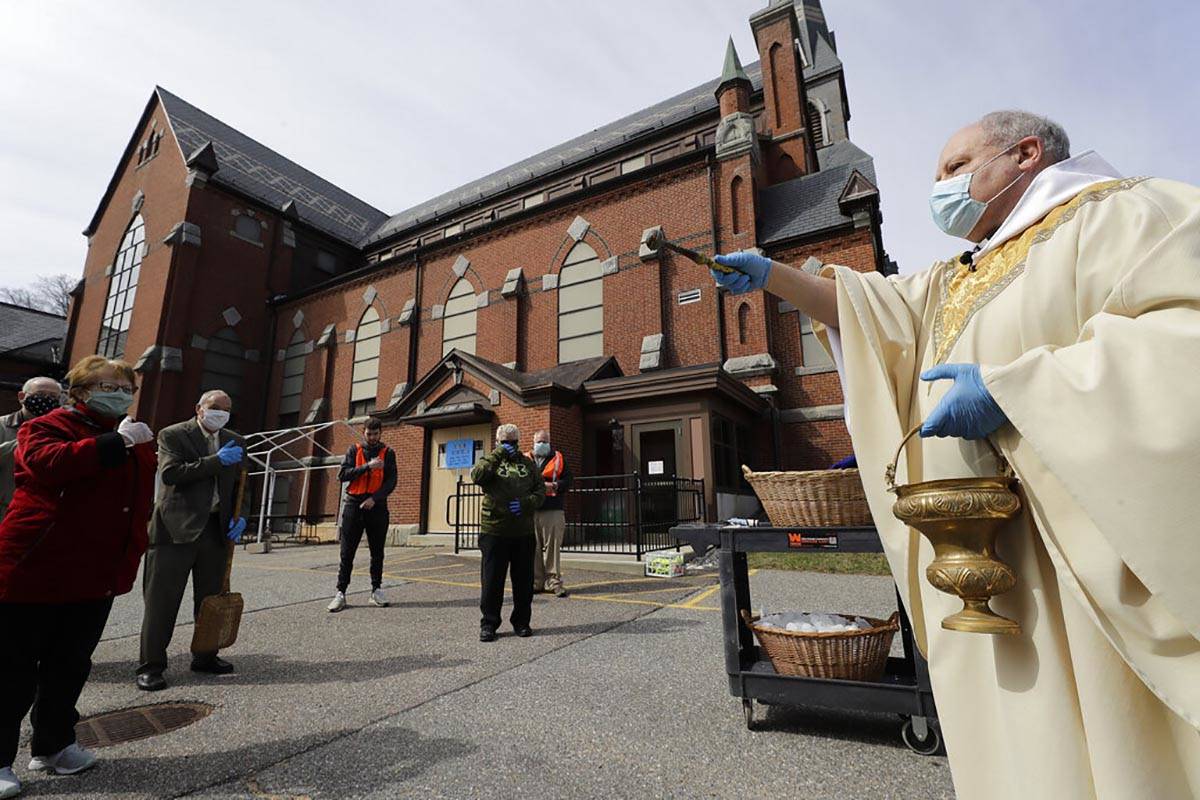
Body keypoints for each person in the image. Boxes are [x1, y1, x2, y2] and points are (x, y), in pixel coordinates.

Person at [708, 110, 1200, 798]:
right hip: (976, 556)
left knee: (1111, 739)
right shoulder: (961, 276)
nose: (939, 188)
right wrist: (772, 277)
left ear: (1025, 153)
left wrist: (1022, 391)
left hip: (1081, 557)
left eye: (954, 168)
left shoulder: (1127, 214)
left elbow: (1184, 342)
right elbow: (870, 308)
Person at [0, 356, 156, 797]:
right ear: (82, 392)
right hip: (36, 567)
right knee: (12, 670)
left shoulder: (133, 436)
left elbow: (136, 502)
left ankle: (54, 745)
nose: (121, 394)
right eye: (110, 386)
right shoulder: (48, 426)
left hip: (95, 573)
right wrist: (114, 445)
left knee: (68, 665)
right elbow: (47, 465)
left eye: (127, 387)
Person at [136, 390, 247, 692]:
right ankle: (151, 665)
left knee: (209, 600)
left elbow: (241, 485)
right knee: (162, 602)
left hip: (215, 530)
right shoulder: (173, 435)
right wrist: (215, 461)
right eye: (214, 407)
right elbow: (171, 474)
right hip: (175, 529)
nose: (220, 413)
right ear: (199, 408)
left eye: (226, 409)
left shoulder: (235, 439)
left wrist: (241, 516)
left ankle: (205, 655)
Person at [470, 424, 545, 642]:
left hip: (523, 532)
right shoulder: (490, 461)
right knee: (492, 580)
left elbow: (539, 490)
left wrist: (527, 503)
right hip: (494, 530)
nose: (509, 446)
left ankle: (522, 622)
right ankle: (489, 623)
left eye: (512, 442)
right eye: (505, 442)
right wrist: (499, 454)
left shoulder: (527, 464)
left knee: (523, 581)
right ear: (497, 442)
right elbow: (477, 476)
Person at [327, 417, 396, 612]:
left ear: (380, 433)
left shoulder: (388, 453)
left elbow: (391, 481)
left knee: (377, 552)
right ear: (363, 432)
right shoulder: (353, 450)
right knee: (347, 552)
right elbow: (343, 475)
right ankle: (341, 592)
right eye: (369, 433)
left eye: (375, 434)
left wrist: (375, 498)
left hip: (377, 506)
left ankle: (376, 590)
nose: (372, 437)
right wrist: (367, 466)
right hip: (353, 505)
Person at [0, 377, 62, 523]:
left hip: (37, 515)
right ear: (22, 397)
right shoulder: (2, 426)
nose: (47, 400)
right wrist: (27, 443)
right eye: (40, 395)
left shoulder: (60, 433)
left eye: (53, 397)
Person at [527, 430, 572, 597]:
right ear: (533, 442)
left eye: (545, 441)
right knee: (533, 547)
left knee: (553, 547)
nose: (542, 444)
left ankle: (553, 582)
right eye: (539, 441)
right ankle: (536, 582)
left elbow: (568, 480)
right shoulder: (525, 459)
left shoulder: (559, 458)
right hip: (531, 509)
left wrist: (554, 486)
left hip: (552, 508)